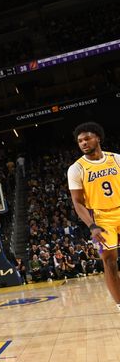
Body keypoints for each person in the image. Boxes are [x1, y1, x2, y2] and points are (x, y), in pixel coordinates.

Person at [68, 122, 120, 311]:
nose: (83, 142)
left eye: (87, 138)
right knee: (109, 262)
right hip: (100, 218)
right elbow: (77, 202)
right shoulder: (76, 169)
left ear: (98, 138)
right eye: (80, 140)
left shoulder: (116, 159)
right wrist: (92, 226)